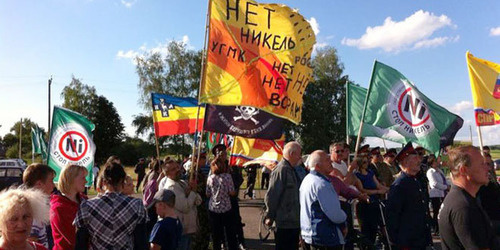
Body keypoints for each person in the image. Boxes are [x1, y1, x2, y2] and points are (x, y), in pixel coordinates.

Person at [74, 162, 148, 249]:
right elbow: (141, 242)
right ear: (123, 181)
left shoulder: (87, 206)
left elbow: (80, 243)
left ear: (104, 182)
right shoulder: (137, 205)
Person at [439, 146, 500, 249]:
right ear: (464, 170)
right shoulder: (464, 207)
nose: (488, 168)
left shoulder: (460, 198)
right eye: (482, 164)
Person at [386, 143, 432, 249]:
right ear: (405, 162)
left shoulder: (415, 180)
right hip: (408, 242)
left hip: (420, 240)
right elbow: (392, 217)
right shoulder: (399, 185)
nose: (419, 161)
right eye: (415, 158)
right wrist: (398, 243)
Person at [300, 150, 347, 250]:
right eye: (327, 160)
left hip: (311, 234)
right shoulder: (321, 184)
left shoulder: (307, 179)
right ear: (317, 166)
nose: (331, 162)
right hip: (324, 236)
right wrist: (344, 218)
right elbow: (334, 214)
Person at [265, 141, 302, 250]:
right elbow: (272, 195)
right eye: (299, 154)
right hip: (284, 223)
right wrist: (269, 216)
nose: (300, 157)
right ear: (291, 154)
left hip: (294, 222)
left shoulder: (292, 169)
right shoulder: (281, 170)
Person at [158, 159, 202, 250]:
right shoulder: (171, 187)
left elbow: (198, 200)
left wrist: (191, 193)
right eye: (173, 169)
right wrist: (192, 192)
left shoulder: (182, 182)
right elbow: (185, 207)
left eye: (177, 167)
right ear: (167, 174)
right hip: (181, 230)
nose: (177, 170)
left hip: (188, 229)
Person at [50, 164, 88, 250]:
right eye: (83, 178)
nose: (86, 181)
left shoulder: (84, 199)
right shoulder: (58, 208)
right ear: (71, 179)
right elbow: (74, 239)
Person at [354, 155, 389, 245]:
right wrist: (377, 191)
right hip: (364, 204)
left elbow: (378, 185)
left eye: (367, 162)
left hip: (374, 203)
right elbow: (362, 190)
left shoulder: (370, 172)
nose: (366, 164)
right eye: (364, 162)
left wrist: (388, 189)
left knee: (374, 228)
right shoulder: (357, 175)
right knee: (366, 230)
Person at [206, 155, 238, 250]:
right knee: (230, 233)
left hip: (214, 208)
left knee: (216, 235)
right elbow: (232, 192)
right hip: (226, 208)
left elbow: (207, 194)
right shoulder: (228, 177)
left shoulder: (210, 178)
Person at [22, 163, 56, 249]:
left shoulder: (34, 204)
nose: (53, 185)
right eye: (51, 180)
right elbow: (31, 244)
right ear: (39, 184)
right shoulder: (32, 209)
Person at [426, 155, 449, 235]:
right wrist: (445, 187)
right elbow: (434, 184)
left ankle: (441, 228)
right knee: (437, 212)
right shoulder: (430, 172)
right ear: (432, 163)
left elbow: (444, 180)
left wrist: (449, 186)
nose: (438, 162)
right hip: (436, 195)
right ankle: (436, 229)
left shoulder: (439, 170)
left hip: (442, 194)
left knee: (442, 212)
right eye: (436, 161)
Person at [478, 153, 500, 236]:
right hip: (489, 221)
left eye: (490, 163)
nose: (489, 167)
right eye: (485, 164)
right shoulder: (477, 184)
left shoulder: (490, 179)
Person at [143, 159, 162, 236]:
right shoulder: (155, 175)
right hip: (151, 202)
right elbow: (153, 189)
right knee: (151, 224)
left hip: (149, 202)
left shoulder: (153, 173)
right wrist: (159, 180)